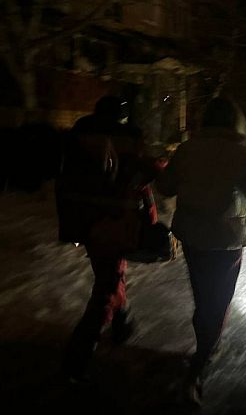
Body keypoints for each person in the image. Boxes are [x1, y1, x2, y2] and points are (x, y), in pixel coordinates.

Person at [156, 97, 246, 407]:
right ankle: (198, 367)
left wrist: (159, 168)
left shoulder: (187, 150)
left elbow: (166, 187)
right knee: (219, 301)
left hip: (193, 236)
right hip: (226, 238)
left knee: (203, 296)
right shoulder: (243, 153)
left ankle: (206, 344)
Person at [56, 96, 160, 383]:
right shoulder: (128, 139)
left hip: (85, 222)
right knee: (107, 287)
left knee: (109, 272)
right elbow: (141, 178)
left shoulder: (78, 137)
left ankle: (122, 323)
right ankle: (77, 358)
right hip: (116, 221)